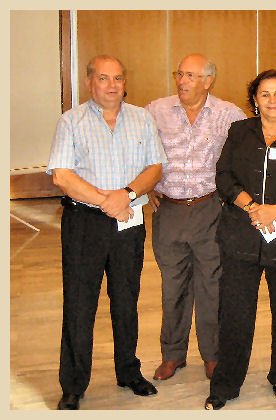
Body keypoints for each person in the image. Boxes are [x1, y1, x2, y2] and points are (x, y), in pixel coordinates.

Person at [47, 55, 167, 410]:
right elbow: (62, 176)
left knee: (127, 300)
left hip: (128, 221)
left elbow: (155, 168)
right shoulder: (71, 121)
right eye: (103, 78)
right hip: (84, 223)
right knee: (79, 303)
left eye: (117, 78)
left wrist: (126, 195)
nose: (112, 85)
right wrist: (107, 202)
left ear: (124, 81)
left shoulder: (142, 119)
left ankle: (128, 371)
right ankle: (73, 384)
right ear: (89, 82)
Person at [204, 69, 276, 410]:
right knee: (235, 313)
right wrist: (252, 207)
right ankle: (225, 384)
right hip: (241, 235)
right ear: (254, 100)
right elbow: (224, 176)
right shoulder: (239, 132)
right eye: (264, 94)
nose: (272, 100)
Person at [145, 54, 246, 382]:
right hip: (168, 209)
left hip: (210, 209)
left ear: (208, 81)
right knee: (173, 286)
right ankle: (172, 354)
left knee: (211, 287)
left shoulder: (229, 114)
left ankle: (213, 355)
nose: (182, 81)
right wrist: (145, 187)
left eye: (190, 75)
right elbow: (139, 151)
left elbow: (245, 157)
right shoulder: (155, 110)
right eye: (180, 74)